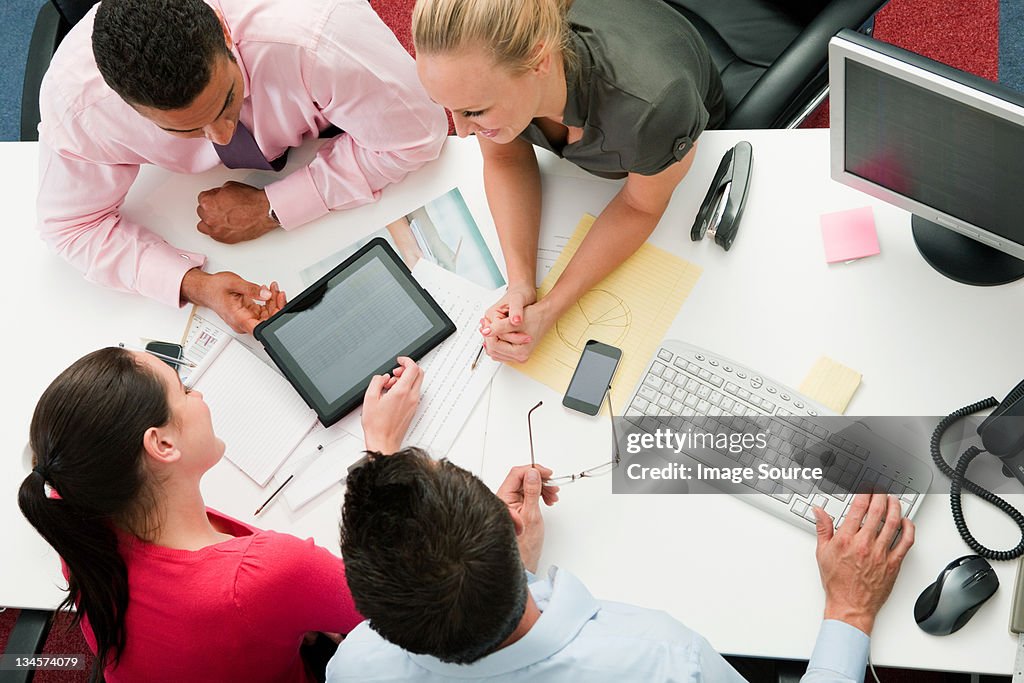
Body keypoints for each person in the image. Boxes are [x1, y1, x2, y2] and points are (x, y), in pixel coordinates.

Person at [326, 448, 915, 682]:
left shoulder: (353, 668)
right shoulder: (661, 661)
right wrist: (851, 608)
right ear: (511, 524)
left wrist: (500, 568)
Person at [37, 0, 448, 334]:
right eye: (186, 129)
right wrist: (192, 285)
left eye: (225, 100)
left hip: (333, 118)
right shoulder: (79, 103)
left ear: (225, 31)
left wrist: (274, 207)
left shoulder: (318, 31)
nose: (220, 136)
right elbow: (70, 226)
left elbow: (418, 135)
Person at [17, 348, 423, 682]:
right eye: (184, 389)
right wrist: (382, 449)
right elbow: (410, 606)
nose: (199, 396)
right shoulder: (268, 574)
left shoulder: (84, 533)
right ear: (162, 444)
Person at [412, 0, 725, 363]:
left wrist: (551, 309)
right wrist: (520, 285)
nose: (462, 131)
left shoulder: (652, 110)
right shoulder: (487, 72)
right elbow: (505, 157)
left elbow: (640, 205)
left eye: (475, 112)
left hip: (679, 109)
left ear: (538, 62)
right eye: (448, 107)